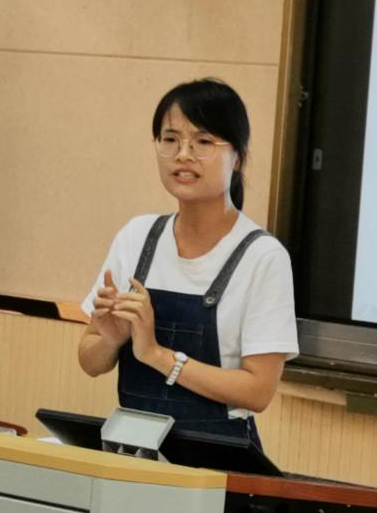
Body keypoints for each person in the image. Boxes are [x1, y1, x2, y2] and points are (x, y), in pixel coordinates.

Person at [77, 78, 298, 447]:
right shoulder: (137, 236)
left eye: (203, 142)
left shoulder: (263, 257)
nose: (183, 154)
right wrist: (112, 341)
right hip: (135, 451)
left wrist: (157, 355)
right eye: (170, 140)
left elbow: (258, 391)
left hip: (217, 458)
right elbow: (89, 360)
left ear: (238, 158)